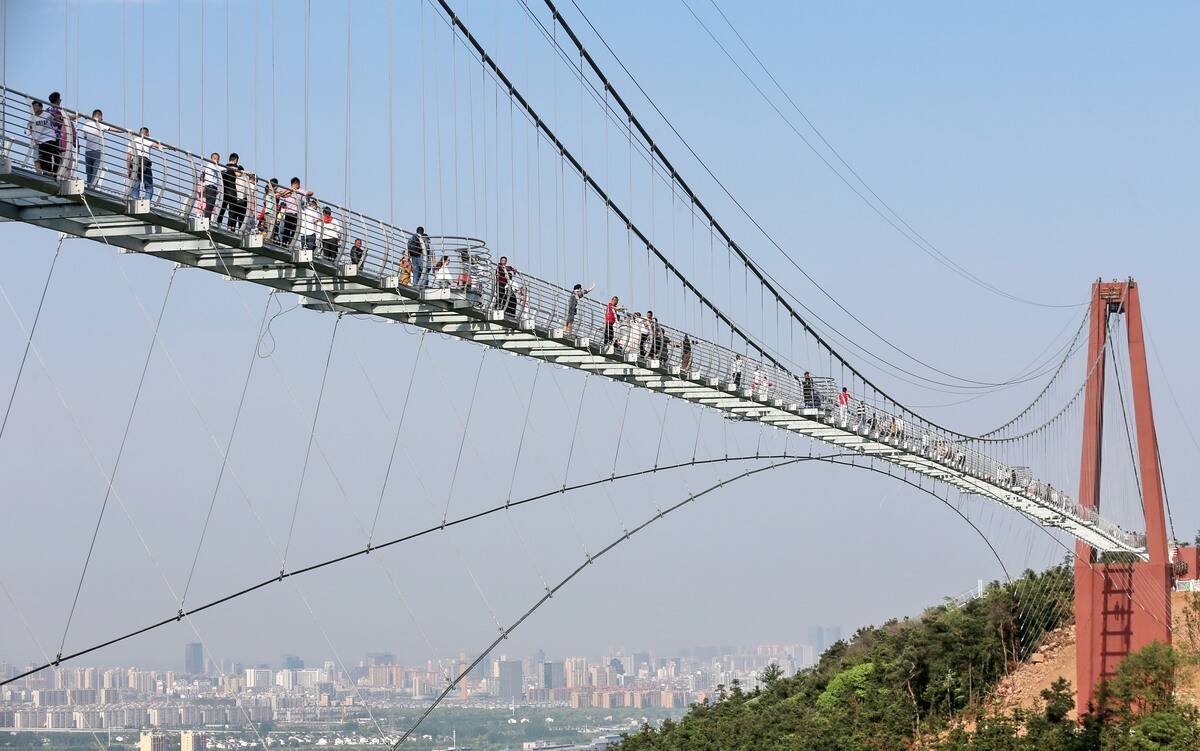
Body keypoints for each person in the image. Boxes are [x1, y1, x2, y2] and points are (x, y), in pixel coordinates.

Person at [126, 126, 165, 201]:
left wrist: (129, 170)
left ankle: (135, 201)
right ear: (148, 133)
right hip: (145, 164)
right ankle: (147, 203)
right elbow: (158, 146)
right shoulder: (148, 139)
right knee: (149, 186)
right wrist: (170, 148)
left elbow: (128, 158)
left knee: (135, 184)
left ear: (139, 133)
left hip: (135, 163)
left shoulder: (132, 141)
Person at [78, 109, 111, 188]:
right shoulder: (100, 125)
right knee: (96, 173)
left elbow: (85, 137)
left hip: (88, 151)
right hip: (97, 151)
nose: (102, 119)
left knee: (89, 172)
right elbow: (114, 129)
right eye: (101, 117)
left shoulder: (86, 125)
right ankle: (92, 189)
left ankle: (89, 187)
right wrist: (125, 131)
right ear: (99, 116)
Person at [28, 100, 56, 175]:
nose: (34, 108)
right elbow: (30, 128)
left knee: (46, 157)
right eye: (33, 107)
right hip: (37, 141)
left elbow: (57, 120)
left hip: (48, 138)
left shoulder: (47, 114)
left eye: (35, 106)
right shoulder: (32, 118)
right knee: (36, 158)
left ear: (41, 107)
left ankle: (48, 173)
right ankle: (39, 174)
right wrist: (34, 138)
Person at [277, 177, 305, 246]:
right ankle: (284, 244)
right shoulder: (288, 190)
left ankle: (290, 244)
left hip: (296, 214)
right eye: (298, 184)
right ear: (294, 184)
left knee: (295, 231)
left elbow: (310, 193)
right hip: (288, 213)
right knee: (286, 230)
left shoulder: (300, 191)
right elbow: (279, 195)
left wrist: (298, 192)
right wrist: (290, 191)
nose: (298, 186)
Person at [199, 152, 222, 218]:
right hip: (210, 187)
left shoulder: (214, 166)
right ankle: (206, 219)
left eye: (218, 159)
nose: (216, 160)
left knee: (211, 205)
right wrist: (228, 169)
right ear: (211, 159)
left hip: (213, 188)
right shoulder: (210, 165)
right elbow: (220, 169)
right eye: (215, 158)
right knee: (209, 204)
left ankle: (207, 219)